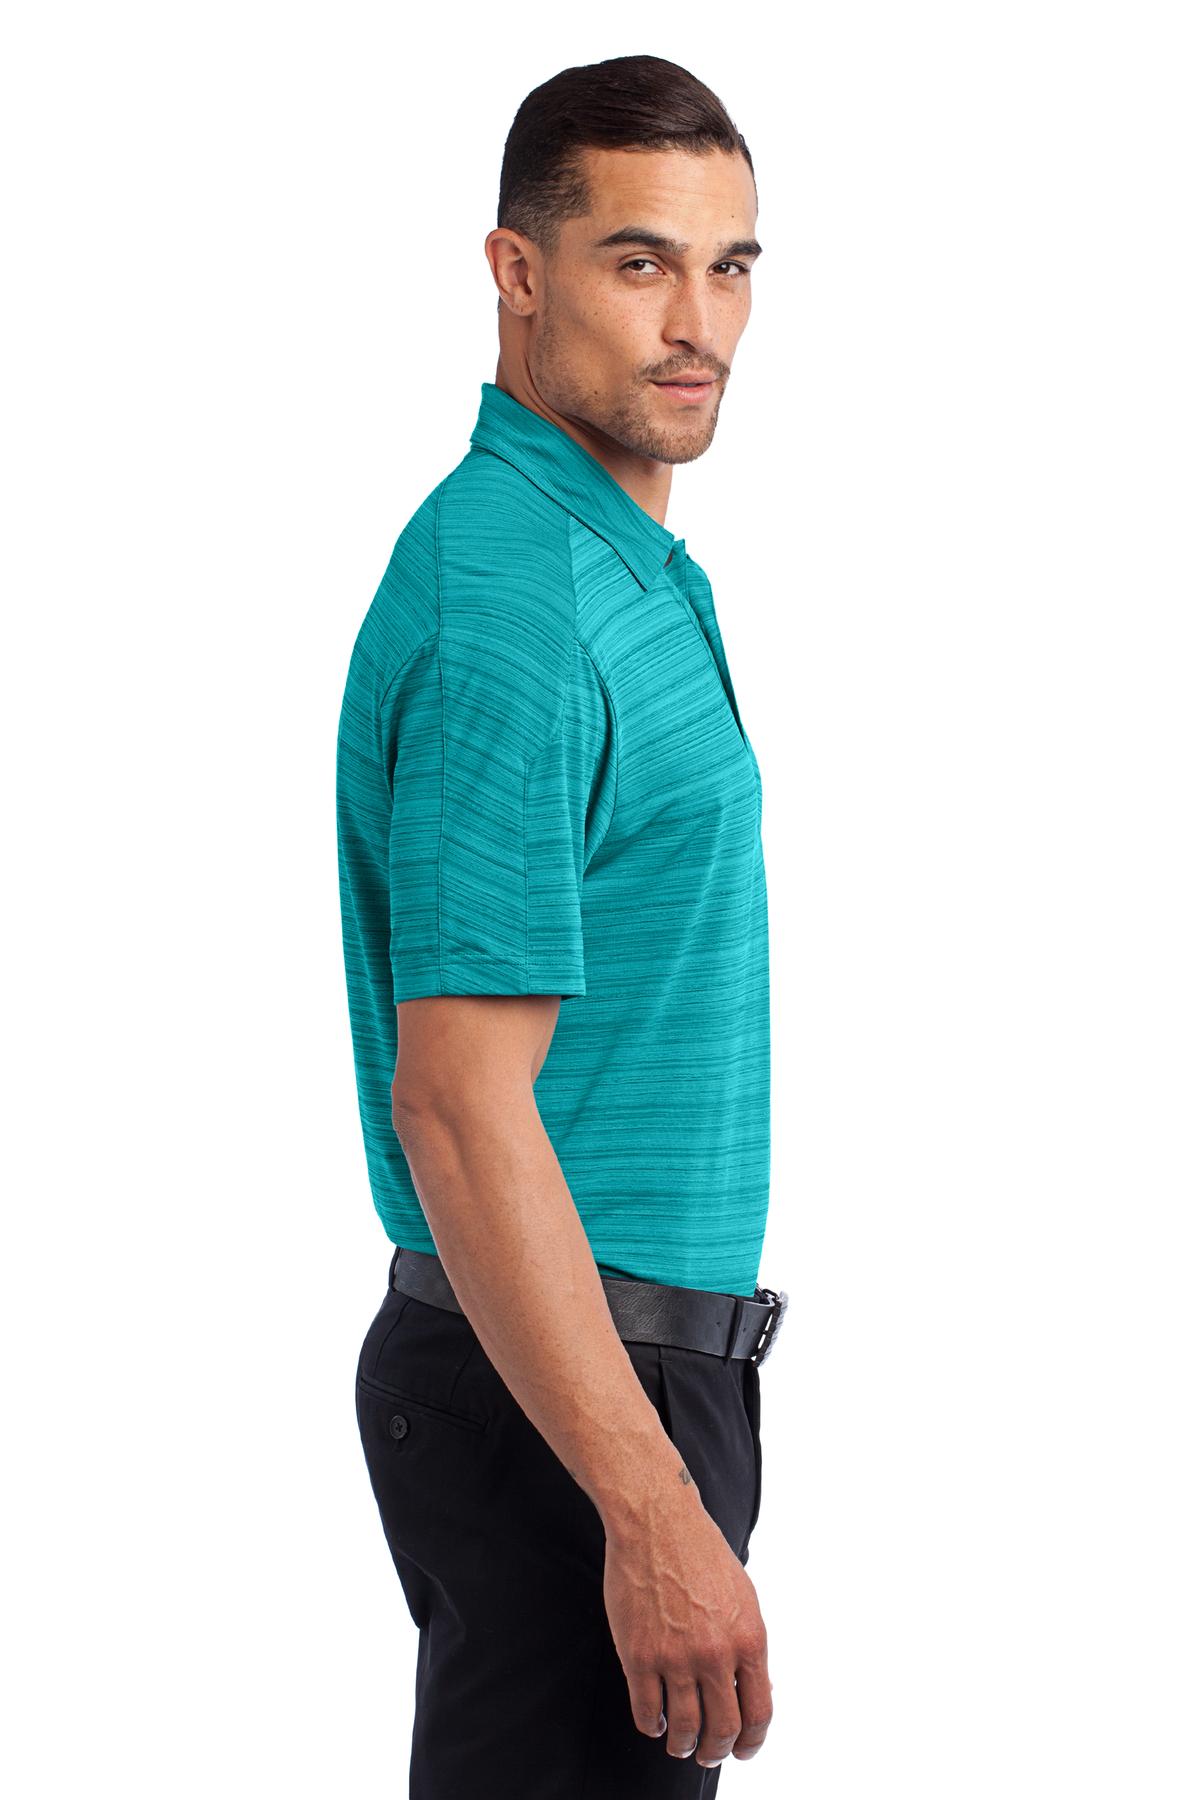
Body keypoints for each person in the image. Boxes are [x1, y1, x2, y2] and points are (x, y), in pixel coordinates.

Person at [336, 53, 787, 1798]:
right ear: (516, 272)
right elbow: (456, 1103)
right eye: (638, 261)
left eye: (730, 266)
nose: (698, 325)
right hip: (568, 1399)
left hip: (603, 1383)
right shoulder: (517, 609)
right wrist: (647, 1505)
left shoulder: (609, 559)